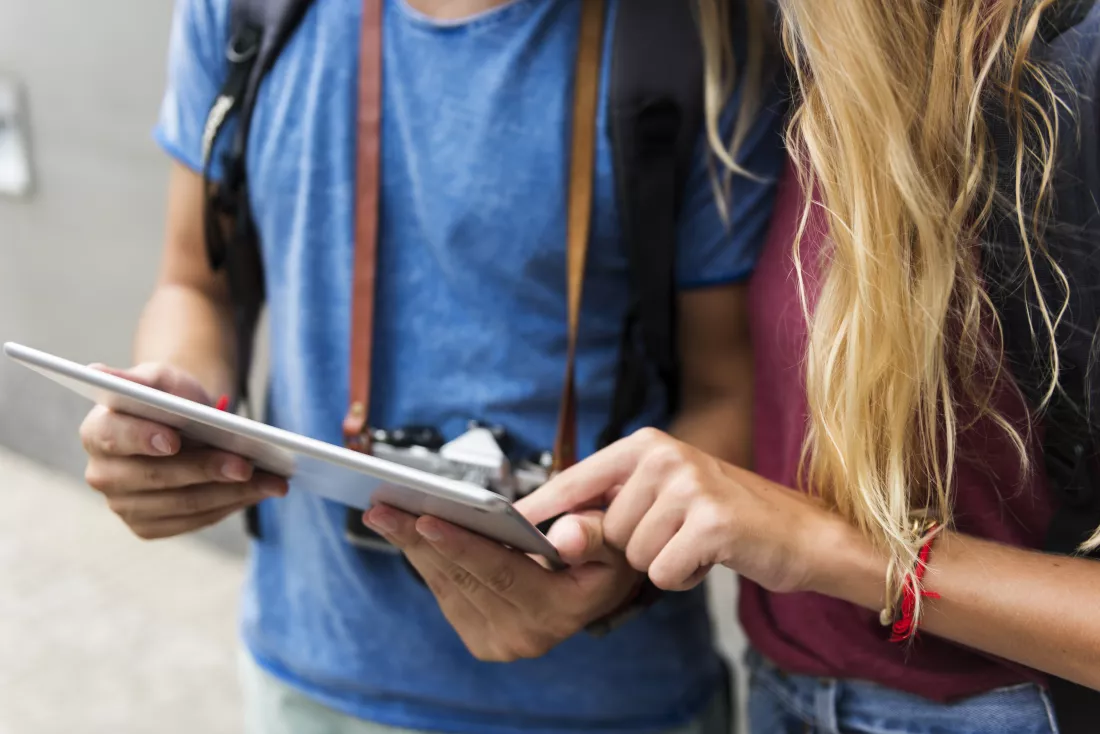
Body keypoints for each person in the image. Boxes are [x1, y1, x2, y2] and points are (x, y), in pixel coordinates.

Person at [366, 1, 1100, 733]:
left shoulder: (1067, 69)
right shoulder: (796, 49)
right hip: (785, 688)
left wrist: (822, 545)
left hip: (1007, 712)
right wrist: (624, 547)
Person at [76, 0, 788, 732]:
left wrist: (619, 564)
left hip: (614, 706)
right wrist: (177, 421)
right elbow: (194, 285)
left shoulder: (704, 36)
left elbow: (730, 392)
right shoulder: (239, 12)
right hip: (304, 680)